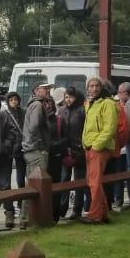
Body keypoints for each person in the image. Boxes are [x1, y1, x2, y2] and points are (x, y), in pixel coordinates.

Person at [79, 78, 117, 224]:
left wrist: (97, 145)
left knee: (94, 182)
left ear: (102, 88)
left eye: (96, 86)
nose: (94, 88)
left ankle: (94, 215)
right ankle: (103, 213)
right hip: (90, 146)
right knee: (92, 181)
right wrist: (86, 143)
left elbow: (110, 128)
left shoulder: (107, 103)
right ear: (87, 88)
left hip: (98, 148)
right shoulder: (90, 103)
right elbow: (88, 126)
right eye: (91, 86)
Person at [21, 83, 59, 223]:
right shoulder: (37, 105)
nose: (48, 90)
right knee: (38, 186)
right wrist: (41, 146)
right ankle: (34, 219)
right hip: (36, 150)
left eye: (49, 88)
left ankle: (25, 219)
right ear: (37, 90)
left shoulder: (33, 104)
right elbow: (34, 127)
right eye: (45, 88)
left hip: (31, 149)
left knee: (30, 185)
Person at [57, 87, 87, 217]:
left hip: (79, 150)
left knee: (79, 181)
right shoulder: (61, 110)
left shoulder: (82, 111)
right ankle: (62, 209)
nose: (68, 100)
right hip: (65, 150)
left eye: (71, 97)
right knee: (64, 179)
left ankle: (77, 210)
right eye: (66, 97)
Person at [0, 92, 26, 226]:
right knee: (6, 182)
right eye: (12, 100)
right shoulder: (4, 115)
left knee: (21, 180)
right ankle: (9, 210)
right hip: (10, 151)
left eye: (16, 99)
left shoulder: (23, 113)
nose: (14, 102)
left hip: (22, 150)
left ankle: (21, 204)